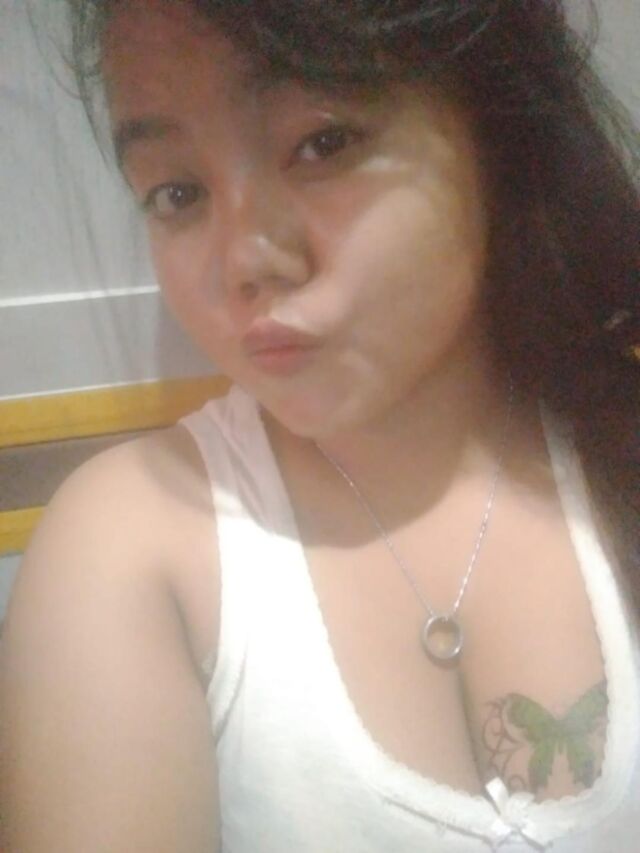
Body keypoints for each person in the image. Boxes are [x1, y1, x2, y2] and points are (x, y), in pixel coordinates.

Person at [1, 0, 639, 850]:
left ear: (494, 128)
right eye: (178, 192)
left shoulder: (614, 440)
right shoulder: (131, 550)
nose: (246, 259)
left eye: (323, 142)